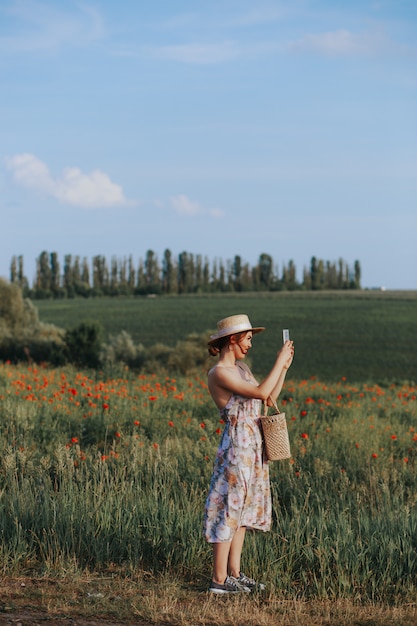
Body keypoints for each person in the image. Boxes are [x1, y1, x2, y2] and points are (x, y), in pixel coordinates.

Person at [203, 314, 294, 594]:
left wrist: (284, 369)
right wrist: (278, 361)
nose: (250, 345)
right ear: (233, 339)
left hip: (254, 447)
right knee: (228, 510)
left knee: (242, 513)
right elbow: (259, 391)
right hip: (236, 448)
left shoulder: (241, 368)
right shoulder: (219, 373)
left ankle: (235, 574)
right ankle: (218, 581)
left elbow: (268, 397)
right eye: (248, 339)